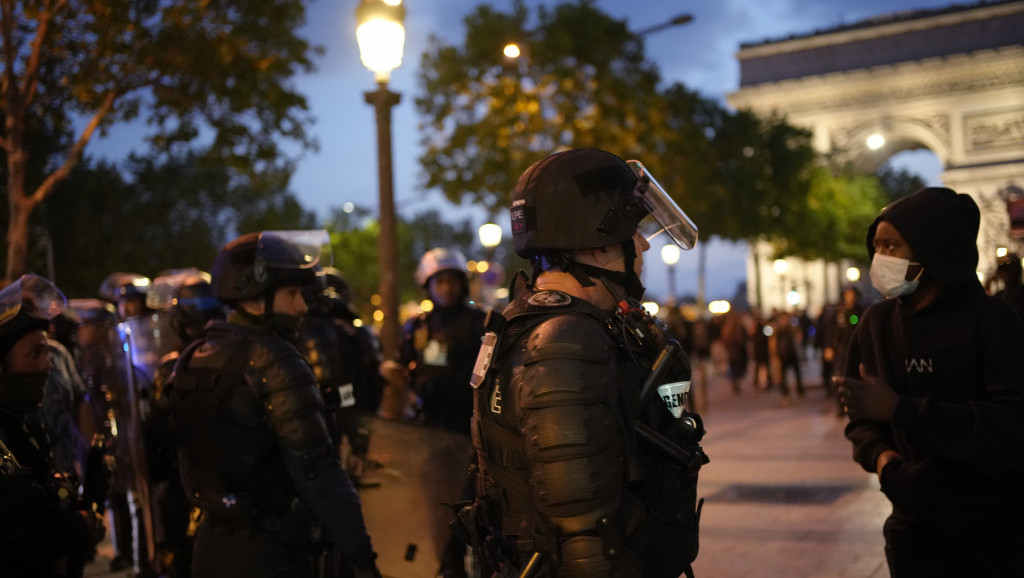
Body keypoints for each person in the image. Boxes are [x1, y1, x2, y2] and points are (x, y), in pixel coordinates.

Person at [460, 148, 708, 578]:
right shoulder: (563, 343)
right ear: (599, 239)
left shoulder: (568, 326)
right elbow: (586, 538)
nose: (644, 243)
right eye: (634, 229)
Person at [166, 230, 381, 578]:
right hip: (272, 555)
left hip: (209, 547)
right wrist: (364, 559)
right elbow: (319, 474)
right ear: (252, 298)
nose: (303, 306)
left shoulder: (192, 356)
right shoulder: (273, 358)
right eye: (292, 293)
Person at [835, 187, 1024, 576]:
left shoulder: (994, 321)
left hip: (994, 526)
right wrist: (886, 464)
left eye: (892, 245)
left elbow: (1011, 422)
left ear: (933, 248)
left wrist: (901, 410)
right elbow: (859, 415)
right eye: (877, 246)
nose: (879, 258)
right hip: (913, 526)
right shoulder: (876, 325)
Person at [0, 274, 106, 577]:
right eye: (35, 353)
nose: (47, 365)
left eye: (46, 351)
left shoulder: (20, 427)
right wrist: (75, 528)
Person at [299, 266, 383, 485]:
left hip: (334, 418)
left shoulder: (327, 330)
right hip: (342, 415)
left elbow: (350, 384)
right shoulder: (350, 330)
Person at [818, 284, 863, 416]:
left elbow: (857, 326)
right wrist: (828, 347)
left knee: (855, 378)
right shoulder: (838, 312)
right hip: (841, 350)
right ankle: (840, 406)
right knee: (839, 377)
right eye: (847, 294)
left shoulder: (858, 311)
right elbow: (830, 331)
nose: (850, 297)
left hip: (855, 349)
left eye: (852, 294)